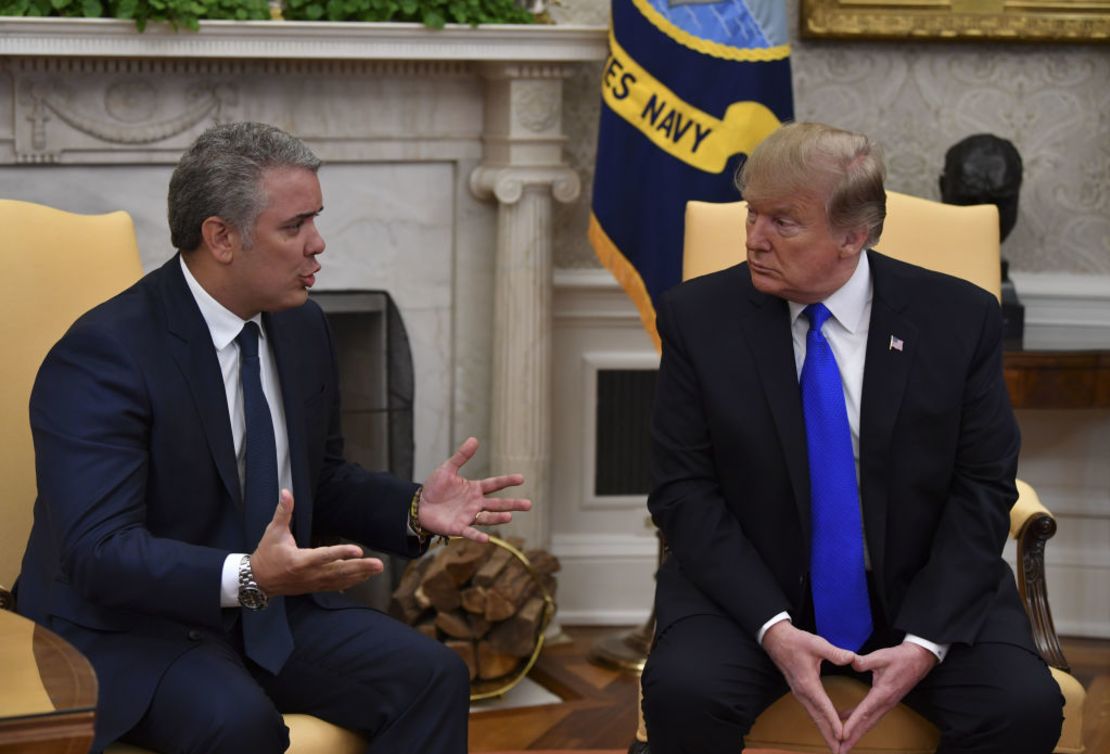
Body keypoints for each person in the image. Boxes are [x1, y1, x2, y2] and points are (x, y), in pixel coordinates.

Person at [16, 121, 531, 754]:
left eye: (315, 219)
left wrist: (414, 507)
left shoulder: (301, 326)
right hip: (130, 627)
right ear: (221, 238)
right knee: (240, 725)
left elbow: (322, 478)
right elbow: (99, 552)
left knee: (431, 675)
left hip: (262, 613)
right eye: (294, 226)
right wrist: (250, 577)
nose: (318, 244)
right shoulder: (106, 353)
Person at [640, 122, 1063, 754]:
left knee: (1021, 709)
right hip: (753, 591)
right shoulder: (697, 318)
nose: (754, 239)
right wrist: (774, 628)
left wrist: (924, 644)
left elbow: (982, 487)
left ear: (852, 237)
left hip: (921, 587)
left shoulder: (958, 320)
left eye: (783, 222)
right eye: (752, 215)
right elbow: (682, 491)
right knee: (684, 694)